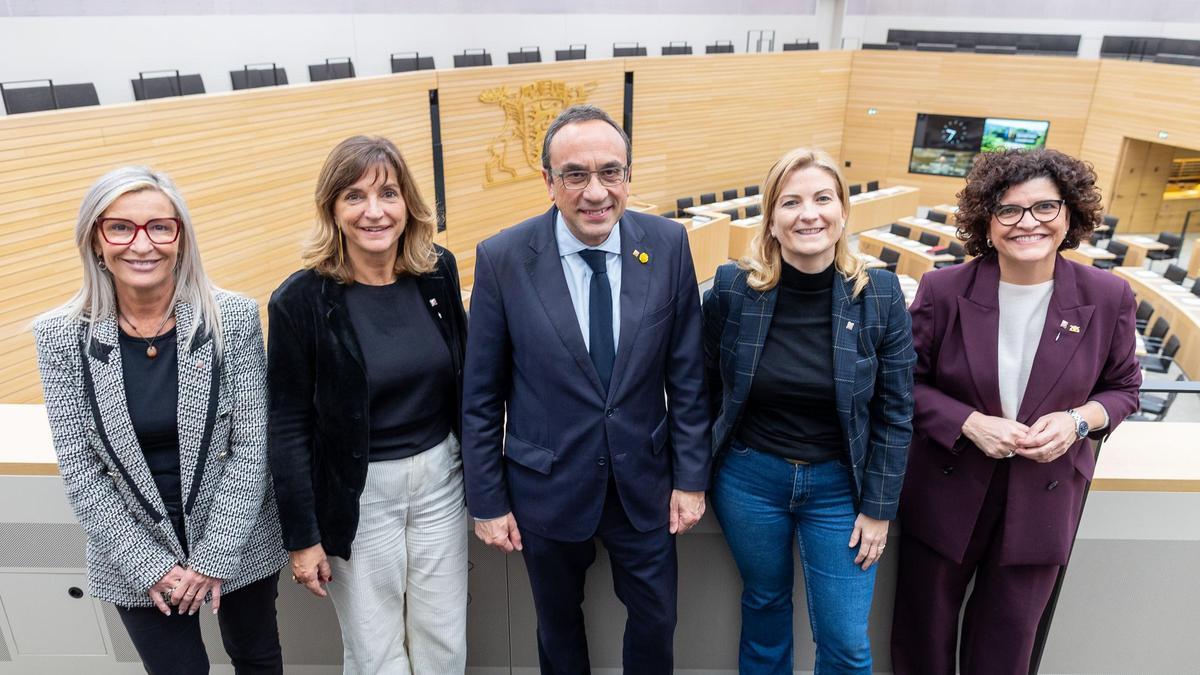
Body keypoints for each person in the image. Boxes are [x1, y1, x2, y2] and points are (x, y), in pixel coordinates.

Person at [461, 104, 711, 674]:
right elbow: (479, 398)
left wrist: (692, 478)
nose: (596, 192)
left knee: (656, 621)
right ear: (548, 183)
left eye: (610, 172)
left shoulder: (668, 245)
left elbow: (689, 377)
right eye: (575, 175)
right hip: (545, 486)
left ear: (629, 175)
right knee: (557, 629)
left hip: (644, 487)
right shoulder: (502, 260)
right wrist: (488, 500)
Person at [890, 148, 1142, 674]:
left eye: (1045, 208)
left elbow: (1123, 390)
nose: (1028, 223)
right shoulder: (944, 289)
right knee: (923, 640)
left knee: (1006, 652)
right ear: (987, 219)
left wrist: (1077, 422)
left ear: (1070, 213)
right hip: (947, 489)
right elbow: (901, 384)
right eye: (1009, 210)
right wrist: (967, 422)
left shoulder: (1109, 295)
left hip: (1043, 498)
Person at [33, 166, 287, 674]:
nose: (141, 244)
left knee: (257, 660)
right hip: (131, 550)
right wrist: (150, 566)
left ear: (181, 237)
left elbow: (251, 449)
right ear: (96, 240)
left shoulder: (232, 318)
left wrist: (213, 557)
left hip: (235, 534)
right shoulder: (60, 338)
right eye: (121, 227)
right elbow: (82, 472)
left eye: (159, 227)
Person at [701, 148, 915, 674]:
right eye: (791, 202)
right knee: (764, 604)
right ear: (771, 219)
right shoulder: (732, 289)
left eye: (823, 199)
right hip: (750, 480)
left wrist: (879, 507)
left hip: (841, 487)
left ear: (843, 211)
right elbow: (702, 390)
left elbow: (896, 409)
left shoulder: (880, 294)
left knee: (845, 639)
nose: (809, 214)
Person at [267, 135, 468, 674]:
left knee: (444, 646)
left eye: (388, 194)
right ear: (332, 208)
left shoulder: (436, 272)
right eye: (354, 196)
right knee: (376, 655)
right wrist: (304, 537)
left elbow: (465, 376)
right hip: (358, 495)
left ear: (409, 204)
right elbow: (286, 426)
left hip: (441, 483)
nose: (374, 211)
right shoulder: (300, 300)